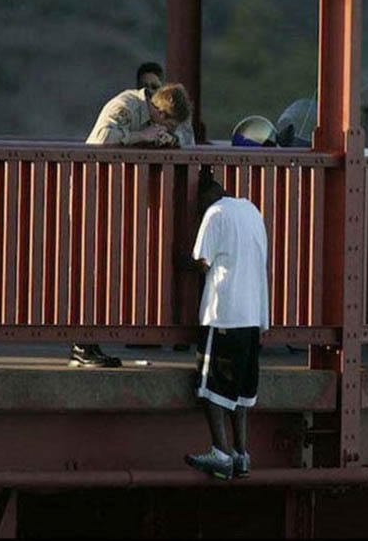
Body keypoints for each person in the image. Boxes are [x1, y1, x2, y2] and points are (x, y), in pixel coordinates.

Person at [68, 83, 194, 368]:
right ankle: (81, 344)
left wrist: (169, 142)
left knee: (112, 270)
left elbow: (188, 143)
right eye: (168, 125)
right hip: (93, 193)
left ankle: (92, 340)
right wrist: (141, 135)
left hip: (122, 201)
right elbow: (101, 139)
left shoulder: (164, 119)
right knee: (91, 268)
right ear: (159, 112)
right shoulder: (126, 105)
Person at [184, 172, 269, 480]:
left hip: (223, 314)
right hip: (253, 316)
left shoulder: (214, 213)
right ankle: (241, 454)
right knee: (241, 394)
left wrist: (178, 260)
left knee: (212, 389)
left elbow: (201, 260)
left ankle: (220, 454)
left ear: (205, 197)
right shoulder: (250, 209)